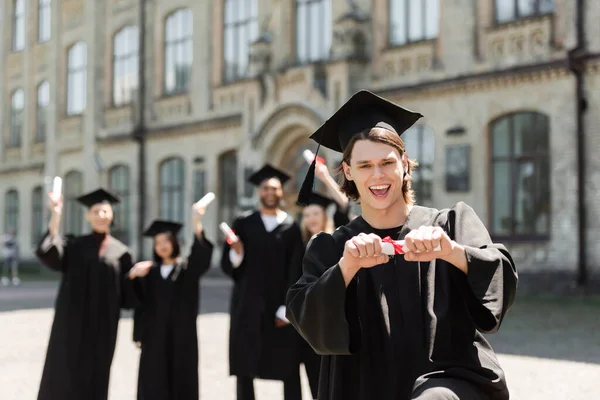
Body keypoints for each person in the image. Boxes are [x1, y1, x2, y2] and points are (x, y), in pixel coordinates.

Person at [286, 90, 518, 400]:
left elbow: (499, 277)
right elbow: (306, 318)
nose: (377, 175)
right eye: (365, 166)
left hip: (446, 378)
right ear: (349, 172)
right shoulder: (331, 248)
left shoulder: (449, 225)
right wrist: (347, 267)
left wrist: (451, 252)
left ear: (405, 164)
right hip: (362, 385)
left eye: (387, 162)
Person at [35, 188, 141, 400]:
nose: (100, 216)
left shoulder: (122, 253)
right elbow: (48, 252)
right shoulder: (74, 245)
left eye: (104, 211)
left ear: (111, 215)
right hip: (70, 324)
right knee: (63, 371)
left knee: (97, 374)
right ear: (88, 216)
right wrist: (56, 215)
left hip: (103, 328)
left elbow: (128, 298)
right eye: (95, 211)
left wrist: (134, 276)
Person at [221, 164, 305, 400]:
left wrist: (286, 308)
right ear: (259, 192)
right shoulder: (244, 222)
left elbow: (295, 270)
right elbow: (230, 267)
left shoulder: (290, 227)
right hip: (246, 305)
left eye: (275, 188)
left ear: (281, 192)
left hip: (278, 307)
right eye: (266, 188)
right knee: (245, 366)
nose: (270, 192)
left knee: (287, 365)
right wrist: (237, 252)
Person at [130, 201, 214, 400]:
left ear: (175, 243)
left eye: (166, 241)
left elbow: (201, 256)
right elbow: (139, 304)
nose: (162, 246)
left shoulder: (186, 270)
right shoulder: (149, 272)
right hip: (154, 337)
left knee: (181, 379)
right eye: (158, 243)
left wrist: (196, 222)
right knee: (153, 379)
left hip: (181, 336)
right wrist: (139, 333)